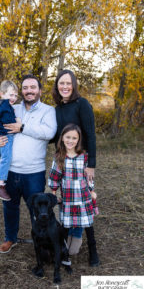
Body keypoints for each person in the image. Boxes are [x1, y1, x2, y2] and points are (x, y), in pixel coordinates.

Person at [0, 74, 57, 253]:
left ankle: (41, 240)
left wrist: (23, 127)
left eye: (33, 87)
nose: (29, 91)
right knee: (10, 206)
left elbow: (49, 132)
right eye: (25, 88)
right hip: (10, 171)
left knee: (38, 209)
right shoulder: (12, 107)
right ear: (21, 91)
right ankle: (10, 238)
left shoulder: (48, 111)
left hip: (34, 172)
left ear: (39, 91)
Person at [51, 69, 99, 265]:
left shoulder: (82, 104)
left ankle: (93, 249)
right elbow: (54, 136)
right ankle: (67, 240)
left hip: (82, 162)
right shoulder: (57, 109)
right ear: (57, 86)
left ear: (73, 85)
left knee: (85, 203)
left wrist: (92, 165)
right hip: (64, 160)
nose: (64, 87)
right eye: (61, 83)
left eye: (68, 83)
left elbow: (91, 134)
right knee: (69, 201)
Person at [48, 124, 99, 267]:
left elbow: (89, 177)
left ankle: (93, 252)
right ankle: (62, 252)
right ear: (62, 138)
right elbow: (54, 178)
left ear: (79, 139)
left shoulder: (84, 156)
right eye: (68, 137)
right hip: (68, 199)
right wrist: (53, 193)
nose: (71, 141)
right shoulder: (59, 157)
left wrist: (91, 190)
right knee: (65, 226)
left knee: (88, 225)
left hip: (83, 198)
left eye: (74, 138)